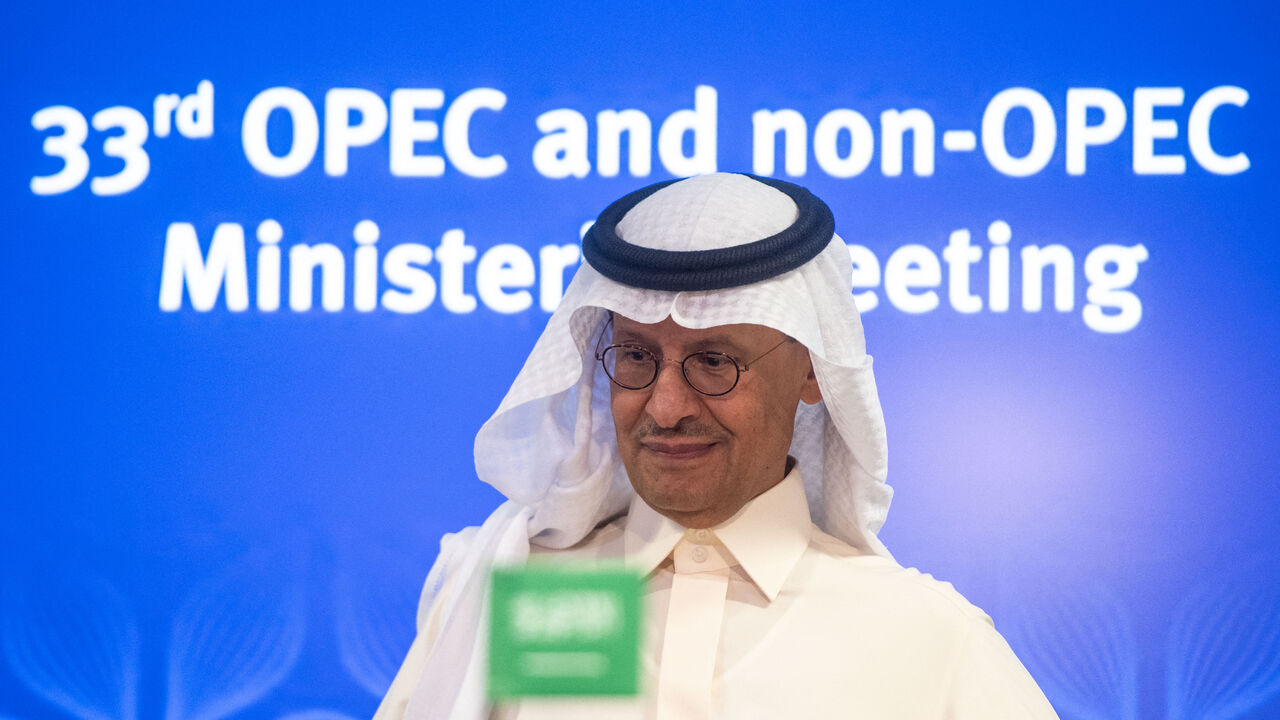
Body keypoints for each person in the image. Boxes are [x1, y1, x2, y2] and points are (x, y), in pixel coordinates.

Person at [375, 173, 1059, 719]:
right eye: (636, 356)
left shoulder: (927, 640)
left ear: (811, 371)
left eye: (713, 362)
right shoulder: (514, 598)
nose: (665, 407)